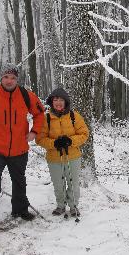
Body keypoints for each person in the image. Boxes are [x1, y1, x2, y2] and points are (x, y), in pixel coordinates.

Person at [0, 63, 45, 240]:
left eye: (13, 78)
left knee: (19, 180)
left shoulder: (26, 95)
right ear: (1, 78)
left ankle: (20, 210)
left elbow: (39, 114)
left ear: (17, 79)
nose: (9, 81)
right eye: (6, 77)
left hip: (19, 148)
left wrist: (34, 132)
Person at [36, 88, 89, 218]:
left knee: (72, 183)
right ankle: (60, 205)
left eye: (61, 100)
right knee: (58, 183)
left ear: (66, 102)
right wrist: (54, 143)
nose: (58, 102)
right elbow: (40, 139)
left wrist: (70, 141)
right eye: (55, 100)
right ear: (51, 102)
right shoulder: (46, 118)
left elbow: (84, 134)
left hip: (73, 156)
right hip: (54, 158)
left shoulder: (74, 116)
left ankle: (73, 206)